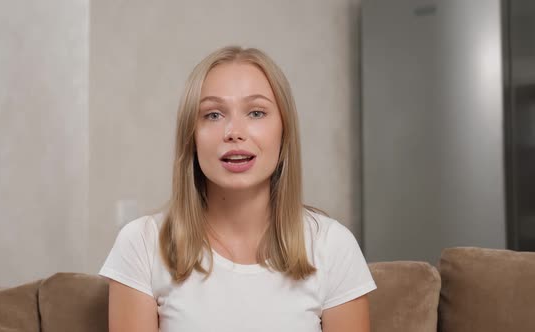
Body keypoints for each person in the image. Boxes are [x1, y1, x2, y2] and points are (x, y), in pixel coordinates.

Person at [99, 46, 377, 332]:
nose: (234, 132)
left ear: (284, 132)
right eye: (213, 115)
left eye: (256, 113)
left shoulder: (333, 246)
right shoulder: (142, 244)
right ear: (190, 137)